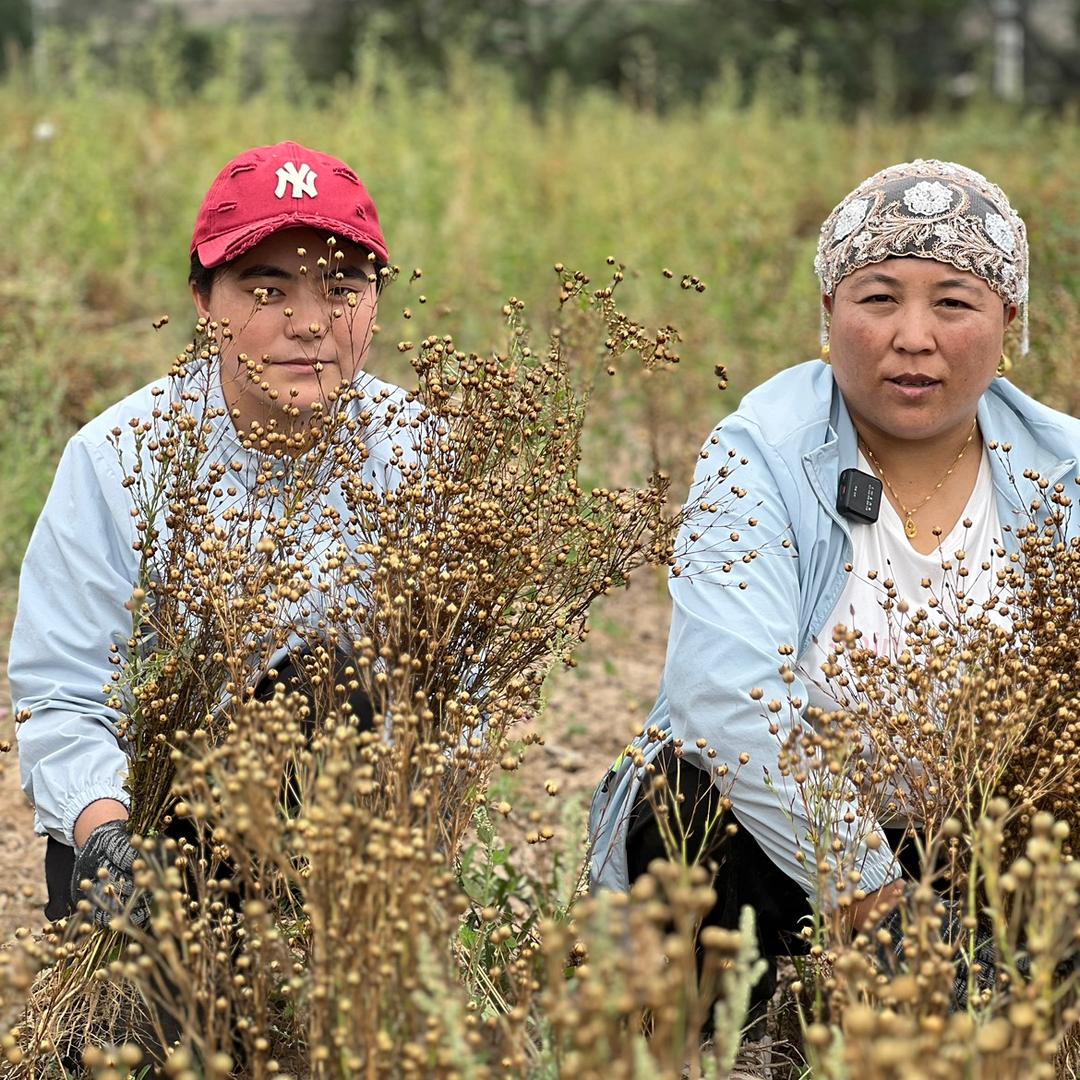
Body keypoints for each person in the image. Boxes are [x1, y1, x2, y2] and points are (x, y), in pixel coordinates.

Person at [587, 159, 1080, 1011]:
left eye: (954, 302)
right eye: (878, 297)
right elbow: (721, 694)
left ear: (1009, 320)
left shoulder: (1063, 473)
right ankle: (738, 1024)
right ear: (828, 314)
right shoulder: (763, 452)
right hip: (784, 845)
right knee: (694, 795)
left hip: (982, 842)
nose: (913, 336)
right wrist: (876, 901)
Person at [9, 141, 410, 926]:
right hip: (152, 837)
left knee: (328, 680)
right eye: (267, 289)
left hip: (355, 857)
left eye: (342, 287)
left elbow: (458, 697)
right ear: (205, 300)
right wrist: (109, 841)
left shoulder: (416, 452)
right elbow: (60, 694)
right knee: (125, 1050)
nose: (310, 323)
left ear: (375, 300)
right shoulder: (117, 457)